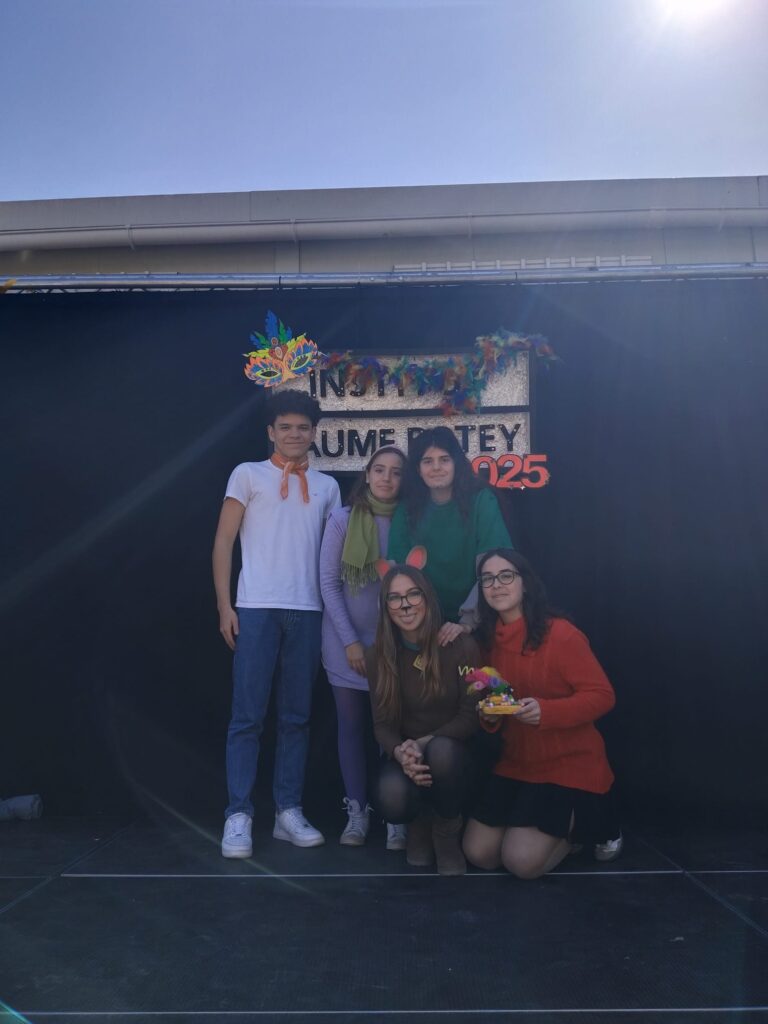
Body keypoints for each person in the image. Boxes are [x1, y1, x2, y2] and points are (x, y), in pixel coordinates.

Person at [213, 390, 341, 858]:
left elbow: (332, 558)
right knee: (247, 716)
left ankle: (288, 810)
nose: (294, 434)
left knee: (296, 717)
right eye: (285, 427)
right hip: (256, 607)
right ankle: (239, 814)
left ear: (314, 433)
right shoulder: (247, 474)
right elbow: (223, 542)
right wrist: (225, 607)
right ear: (271, 431)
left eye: (303, 428)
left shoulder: (327, 487)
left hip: (307, 610)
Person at [463, 549, 621, 879]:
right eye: (487, 579)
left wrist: (547, 712)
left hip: (567, 765)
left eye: (506, 575)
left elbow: (603, 696)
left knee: (520, 863)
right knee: (479, 854)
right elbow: (497, 700)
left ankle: (591, 822)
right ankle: (552, 831)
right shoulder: (486, 643)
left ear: (525, 583)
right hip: (517, 764)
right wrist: (490, 718)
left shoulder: (561, 634)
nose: (496, 584)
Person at [365, 552, 482, 876]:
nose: (405, 605)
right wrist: (402, 753)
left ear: (427, 598)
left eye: (413, 594)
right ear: (386, 607)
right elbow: (382, 725)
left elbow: (472, 715)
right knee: (390, 794)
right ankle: (419, 822)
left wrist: (424, 742)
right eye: (395, 598)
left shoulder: (461, 646)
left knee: (441, 751)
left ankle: (446, 829)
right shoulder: (377, 657)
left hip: (457, 755)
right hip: (410, 755)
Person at [319, 446, 408, 849]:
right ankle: (357, 812)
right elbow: (328, 584)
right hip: (345, 644)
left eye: (396, 472)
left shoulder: (410, 521)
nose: (387, 478)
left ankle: (395, 813)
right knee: (352, 727)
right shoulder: (342, 519)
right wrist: (351, 642)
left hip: (395, 645)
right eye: (379, 470)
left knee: (392, 729)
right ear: (367, 475)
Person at [387, 426, 512, 626]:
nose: (436, 467)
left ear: (456, 464)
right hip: (422, 620)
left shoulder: (482, 500)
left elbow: (496, 566)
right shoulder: (406, 509)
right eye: (428, 461)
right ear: (418, 469)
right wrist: (422, 623)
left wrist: (468, 621)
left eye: (444, 459)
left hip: (478, 618)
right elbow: (397, 574)